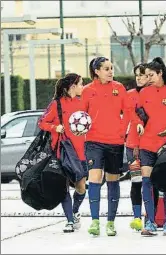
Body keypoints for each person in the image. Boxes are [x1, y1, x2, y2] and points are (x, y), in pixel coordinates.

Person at [82, 57, 130, 236]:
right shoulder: (87, 90)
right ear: (97, 71)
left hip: (115, 142)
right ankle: (94, 221)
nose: (110, 71)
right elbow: (81, 115)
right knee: (94, 178)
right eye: (106, 68)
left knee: (113, 181)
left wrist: (122, 130)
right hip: (93, 141)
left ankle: (110, 222)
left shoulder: (119, 88)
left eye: (111, 68)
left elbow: (128, 111)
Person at [134, 57, 166, 236]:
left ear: (160, 73)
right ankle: (151, 222)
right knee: (146, 181)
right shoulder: (144, 93)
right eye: (146, 76)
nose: (148, 78)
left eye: (151, 75)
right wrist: (138, 122)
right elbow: (137, 113)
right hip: (147, 143)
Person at [38, 73, 87, 233]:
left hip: (81, 153)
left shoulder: (83, 103)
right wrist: (55, 127)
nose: (83, 87)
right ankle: (70, 220)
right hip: (61, 152)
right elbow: (41, 122)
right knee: (63, 188)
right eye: (80, 84)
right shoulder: (56, 104)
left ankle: (75, 211)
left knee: (81, 188)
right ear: (72, 86)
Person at [126, 63, 150, 232]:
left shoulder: (157, 93)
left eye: (142, 74)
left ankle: (151, 216)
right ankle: (136, 217)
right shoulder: (130, 95)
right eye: (137, 75)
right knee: (136, 182)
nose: (139, 78)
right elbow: (128, 113)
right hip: (133, 144)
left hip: (152, 145)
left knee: (151, 182)